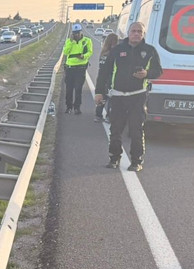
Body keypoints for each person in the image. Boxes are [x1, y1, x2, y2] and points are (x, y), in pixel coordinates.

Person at [94, 21, 162, 171]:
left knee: (136, 130)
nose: (136, 34)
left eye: (139, 31)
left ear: (143, 34)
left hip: (137, 97)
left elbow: (158, 71)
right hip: (117, 96)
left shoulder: (150, 51)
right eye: (134, 31)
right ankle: (114, 158)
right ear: (128, 33)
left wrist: (147, 74)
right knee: (116, 129)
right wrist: (99, 92)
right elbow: (104, 72)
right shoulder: (117, 50)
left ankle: (136, 161)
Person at [61, 24, 93, 114]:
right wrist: (71, 42)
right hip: (70, 68)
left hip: (81, 68)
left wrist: (84, 56)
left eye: (78, 33)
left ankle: (77, 107)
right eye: (74, 33)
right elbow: (66, 52)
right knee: (69, 89)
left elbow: (90, 52)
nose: (76, 35)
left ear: (81, 32)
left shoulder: (87, 41)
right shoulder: (69, 41)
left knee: (78, 88)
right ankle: (69, 107)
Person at [94, 32, 120, 121]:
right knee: (112, 97)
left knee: (102, 95)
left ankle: (98, 115)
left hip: (102, 76)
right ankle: (109, 116)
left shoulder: (103, 53)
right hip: (111, 76)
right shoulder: (114, 53)